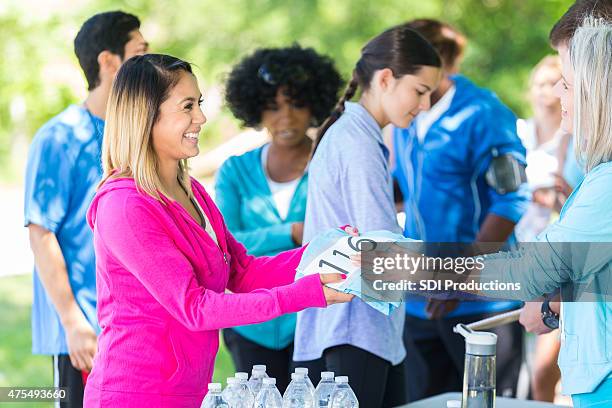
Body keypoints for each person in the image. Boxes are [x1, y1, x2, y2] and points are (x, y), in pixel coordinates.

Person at [82, 54, 352, 407]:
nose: (202, 117)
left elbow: (241, 272)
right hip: (135, 394)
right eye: (187, 106)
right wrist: (306, 293)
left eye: (200, 104)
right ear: (146, 115)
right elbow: (195, 308)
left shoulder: (192, 191)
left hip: (190, 391)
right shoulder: (125, 206)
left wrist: (327, 251)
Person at [293, 24, 441, 408]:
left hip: (366, 332)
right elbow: (384, 255)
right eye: (420, 92)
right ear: (387, 79)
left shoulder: (358, 135)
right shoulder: (357, 143)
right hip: (351, 332)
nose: (424, 106)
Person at [392, 19, 529, 400]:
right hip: (420, 298)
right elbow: (404, 188)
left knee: (490, 401)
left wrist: (460, 276)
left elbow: (512, 198)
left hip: (484, 301)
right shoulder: (405, 117)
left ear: (444, 64)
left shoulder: (486, 113)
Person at [24, 11, 148, 407]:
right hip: (86, 334)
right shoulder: (59, 138)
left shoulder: (134, 137)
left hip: (135, 327)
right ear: (109, 62)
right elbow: (41, 234)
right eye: (139, 53)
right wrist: (73, 323)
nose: (149, 64)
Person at [216, 44, 342, 392]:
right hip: (249, 322)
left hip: (313, 319)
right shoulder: (235, 171)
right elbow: (227, 244)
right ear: (255, 110)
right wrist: (292, 232)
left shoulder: (329, 166)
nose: (285, 118)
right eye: (272, 108)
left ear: (314, 104)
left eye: (297, 104)